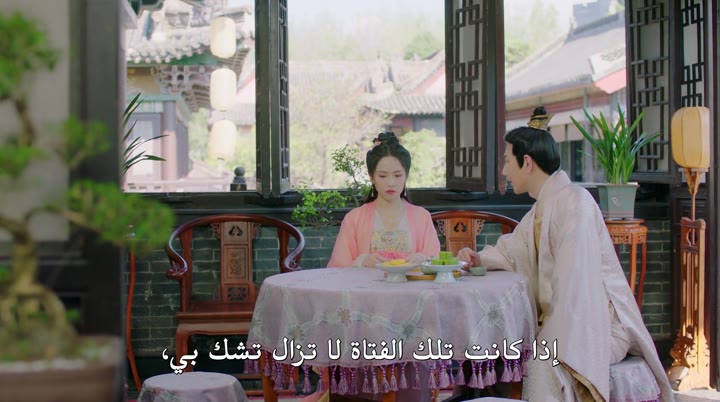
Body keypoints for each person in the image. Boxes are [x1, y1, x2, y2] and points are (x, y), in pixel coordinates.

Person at [457, 108, 674, 401]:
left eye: (507, 161)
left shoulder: (576, 203)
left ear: (527, 163)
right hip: (563, 324)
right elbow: (514, 250)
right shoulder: (543, 207)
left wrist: (549, 337)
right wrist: (480, 259)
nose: (505, 170)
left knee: (543, 361)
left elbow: (575, 283)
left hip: (596, 328)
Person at [327, 132, 441, 268]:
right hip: (366, 282)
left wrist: (423, 259)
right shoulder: (354, 219)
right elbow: (338, 266)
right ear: (372, 177)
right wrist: (361, 261)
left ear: (406, 176)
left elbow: (436, 260)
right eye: (382, 176)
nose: (391, 183)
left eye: (397, 175)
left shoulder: (422, 217)